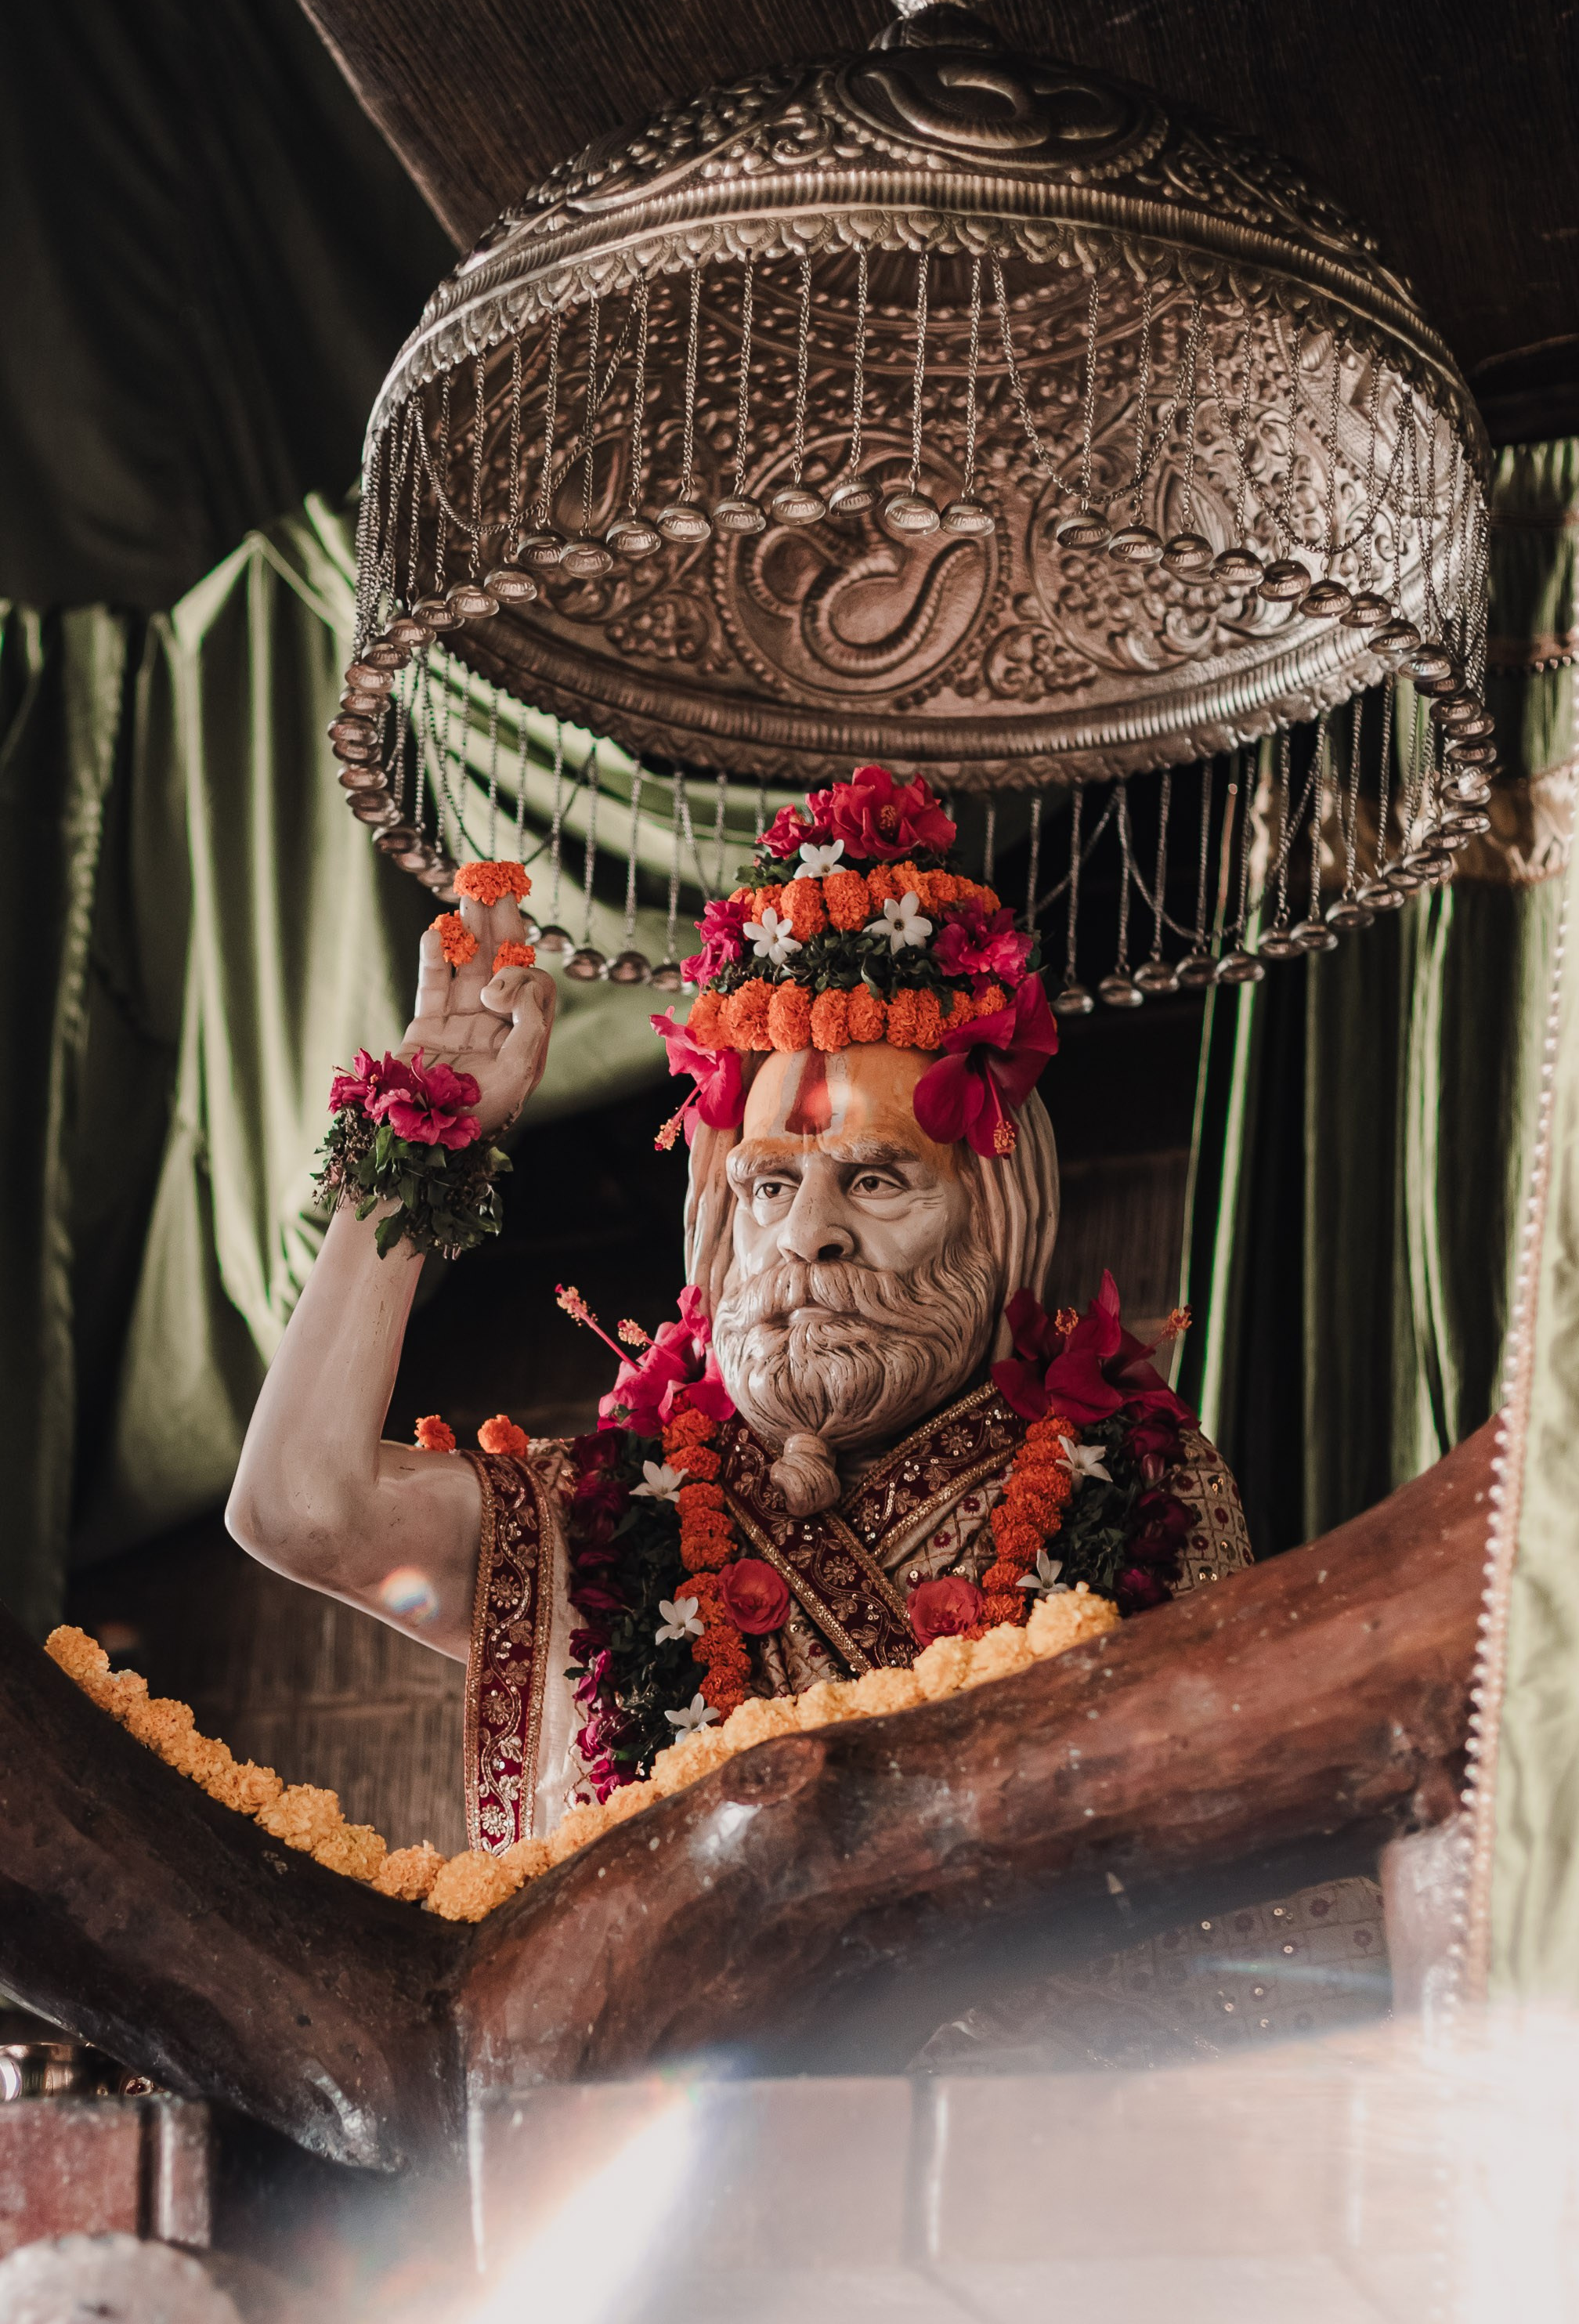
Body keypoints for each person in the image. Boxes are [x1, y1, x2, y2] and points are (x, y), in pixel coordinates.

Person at [229, 768, 1382, 2058]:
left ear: (1000, 1216)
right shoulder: (611, 1519)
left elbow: (1224, 1897)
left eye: (876, 1179)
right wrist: (420, 1137)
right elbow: (301, 1509)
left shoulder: (1142, 1484)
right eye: (770, 1185)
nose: (808, 1235)